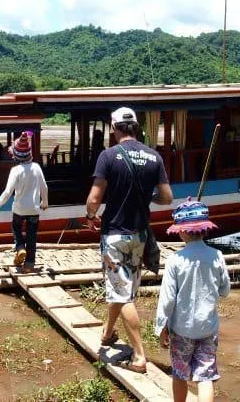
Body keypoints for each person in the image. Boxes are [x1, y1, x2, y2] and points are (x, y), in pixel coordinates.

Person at [85, 106, 173, 373]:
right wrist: (148, 198)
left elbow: (94, 198)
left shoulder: (108, 156)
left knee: (122, 295)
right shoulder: (153, 156)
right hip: (140, 235)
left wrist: (90, 215)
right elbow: (167, 197)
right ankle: (108, 333)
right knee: (122, 288)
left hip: (115, 235)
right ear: (135, 127)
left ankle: (138, 356)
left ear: (114, 128)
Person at [155, 197, 231, 402]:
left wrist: (161, 326)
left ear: (181, 230)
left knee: (180, 374)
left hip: (181, 330)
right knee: (205, 377)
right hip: (208, 328)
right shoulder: (217, 255)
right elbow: (224, 290)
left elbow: (167, 299)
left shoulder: (175, 260)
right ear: (205, 229)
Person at [0, 132, 48, 273]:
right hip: (34, 209)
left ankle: (20, 248)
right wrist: (45, 202)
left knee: (16, 228)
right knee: (32, 236)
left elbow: (7, 192)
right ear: (30, 154)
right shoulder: (36, 167)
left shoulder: (15, 170)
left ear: (16, 156)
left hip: (19, 209)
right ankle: (29, 265)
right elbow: (44, 187)